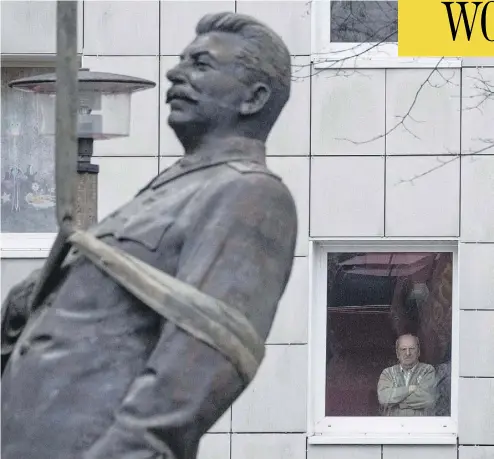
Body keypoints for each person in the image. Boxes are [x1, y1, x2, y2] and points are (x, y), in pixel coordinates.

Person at [1, 12, 297, 459]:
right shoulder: (172, 189)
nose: (175, 72)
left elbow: (201, 362)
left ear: (253, 98)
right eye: (181, 61)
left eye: (200, 64)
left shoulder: (248, 192)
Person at [377, 334, 436, 416]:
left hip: (420, 425)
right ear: (397, 353)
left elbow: (427, 398)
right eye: (403, 349)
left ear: (418, 352)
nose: (408, 353)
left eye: (412, 349)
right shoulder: (387, 373)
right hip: (393, 426)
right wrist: (409, 389)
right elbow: (383, 398)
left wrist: (397, 402)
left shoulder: (427, 370)